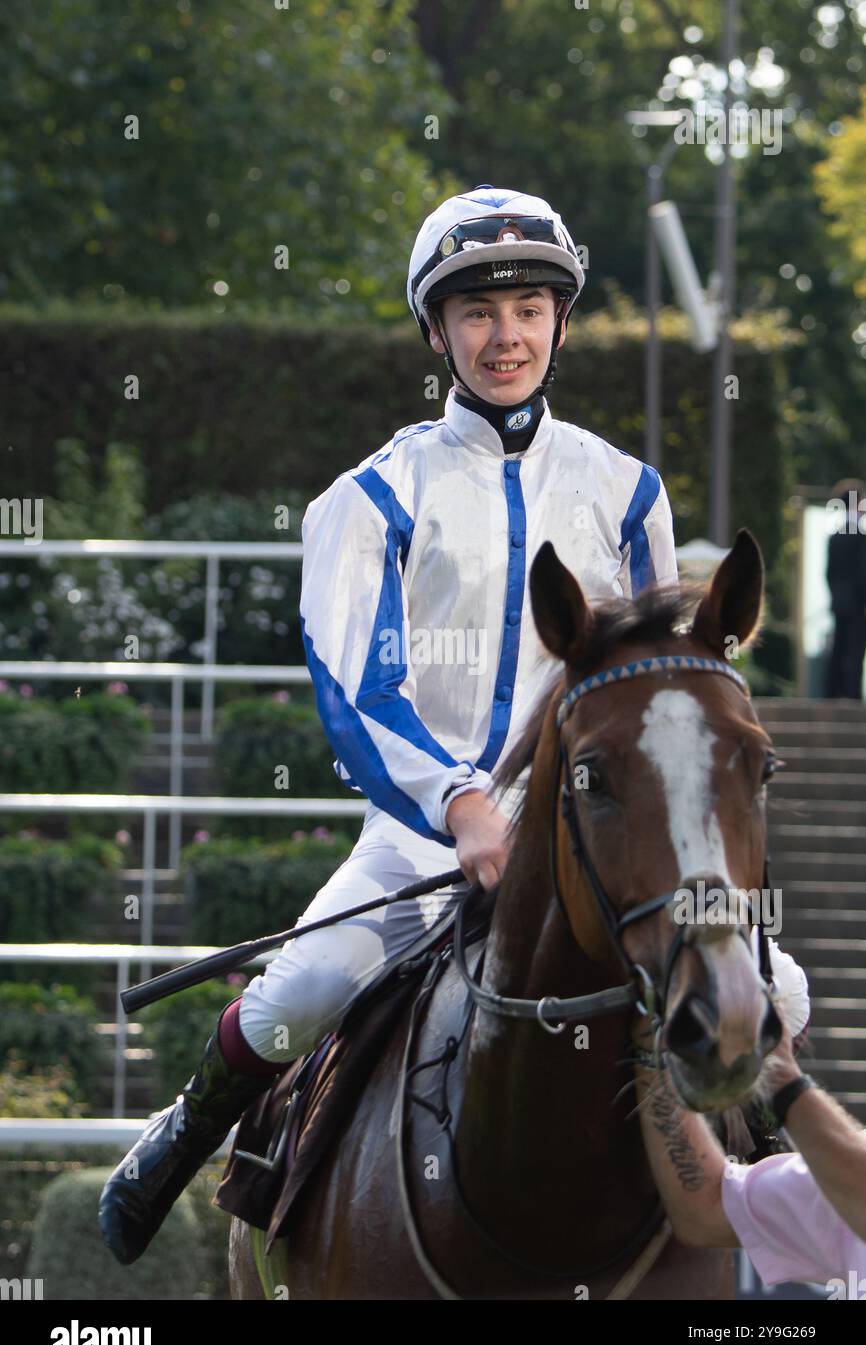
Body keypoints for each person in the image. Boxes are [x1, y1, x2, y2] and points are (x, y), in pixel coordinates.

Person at [97, 184, 768, 1266]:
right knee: (302, 988)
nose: (504, 335)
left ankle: (782, 1231)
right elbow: (353, 686)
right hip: (418, 833)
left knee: (766, 987)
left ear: (558, 320)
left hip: (589, 835)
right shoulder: (366, 499)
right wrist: (461, 805)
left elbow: (654, 681)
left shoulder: (629, 491)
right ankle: (182, 1133)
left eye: (527, 309)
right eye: (475, 313)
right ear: (437, 331)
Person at [632, 1004, 865, 1290]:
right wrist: (655, 1051)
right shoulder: (840, 1185)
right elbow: (707, 1210)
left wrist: (784, 1081)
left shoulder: (848, 1182)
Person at [825, 477, 866, 700]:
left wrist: (835, 595)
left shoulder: (835, 536)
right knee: (855, 651)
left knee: (838, 649)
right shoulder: (860, 536)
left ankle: (831, 694)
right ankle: (852, 696)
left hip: (839, 601)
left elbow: (828, 572)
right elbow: (863, 573)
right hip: (858, 603)